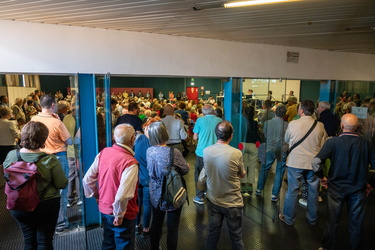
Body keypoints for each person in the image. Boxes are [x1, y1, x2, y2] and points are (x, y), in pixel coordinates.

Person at [312, 114, 375, 250]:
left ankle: (328, 247)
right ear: (357, 127)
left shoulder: (332, 142)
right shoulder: (366, 144)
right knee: (356, 223)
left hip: (335, 188)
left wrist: (322, 177)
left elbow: (316, 162)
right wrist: (371, 184)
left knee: (332, 221)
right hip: (359, 189)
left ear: (341, 126)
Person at [3, 121, 68, 249]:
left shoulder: (11, 156)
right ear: (44, 138)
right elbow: (62, 184)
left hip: (18, 204)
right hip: (46, 205)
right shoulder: (49, 159)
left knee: (28, 241)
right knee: (44, 241)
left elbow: (8, 178)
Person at [83, 124, 139, 249]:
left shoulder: (104, 152)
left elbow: (87, 180)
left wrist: (96, 195)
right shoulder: (130, 163)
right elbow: (122, 196)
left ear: (114, 137)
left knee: (108, 243)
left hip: (104, 207)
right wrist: (119, 215)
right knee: (124, 244)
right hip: (123, 214)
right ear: (133, 138)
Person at [198, 121, 245, 250]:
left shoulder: (206, 151)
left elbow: (206, 173)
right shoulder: (236, 153)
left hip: (214, 200)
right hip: (233, 202)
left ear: (216, 134)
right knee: (236, 237)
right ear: (231, 136)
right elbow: (242, 174)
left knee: (213, 234)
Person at [279, 100, 327, 226]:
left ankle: (289, 219)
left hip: (295, 162)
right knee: (313, 191)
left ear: (301, 110)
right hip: (313, 164)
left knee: (292, 190)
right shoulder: (320, 125)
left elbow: (287, 139)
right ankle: (312, 219)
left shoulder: (293, 124)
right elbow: (323, 144)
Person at [31, 94, 73, 233]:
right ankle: (61, 223)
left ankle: (47, 222)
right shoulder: (57, 123)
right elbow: (69, 141)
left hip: (40, 158)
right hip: (57, 158)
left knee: (44, 191)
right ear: (53, 105)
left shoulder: (34, 119)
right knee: (60, 191)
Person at [146, 121, 189, 250]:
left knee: (156, 223)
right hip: (172, 192)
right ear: (165, 133)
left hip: (155, 193)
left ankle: (154, 247)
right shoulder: (174, 152)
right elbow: (185, 170)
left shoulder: (149, 151)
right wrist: (186, 166)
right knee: (173, 227)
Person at [134, 117, 161, 239]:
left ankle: (136, 226)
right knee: (147, 204)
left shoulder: (138, 140)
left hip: (137, 176)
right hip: (148, 178)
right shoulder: (155, 144)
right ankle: (146, 228)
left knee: (137, 203)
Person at [255, 105, 288, 201]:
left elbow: (265, 134)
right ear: (285, 114)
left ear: (275, 112)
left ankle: (259, 189)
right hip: (281, 149)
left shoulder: (267, 123)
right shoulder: (287, 124)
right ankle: (274, 195)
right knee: (279, 172)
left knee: (264, 169)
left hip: (269, 148)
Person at [192, 104, 222, 204]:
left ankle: (199, 196)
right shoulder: (219, 120)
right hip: (216, 152)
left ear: (203, 112)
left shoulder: (199, 120)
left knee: (200, 174)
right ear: (212, 111)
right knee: (213, 174)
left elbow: (195, 137)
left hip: (202, 152)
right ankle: (211, 194)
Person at [240, 105, 260, 195]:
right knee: (252, 166)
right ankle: (250, 185)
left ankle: (243, 185)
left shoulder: (241, 123)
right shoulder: (255, 123)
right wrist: (258, 144)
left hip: (242, 144)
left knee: (243, 165)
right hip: (253, 145)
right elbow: (257, 135)